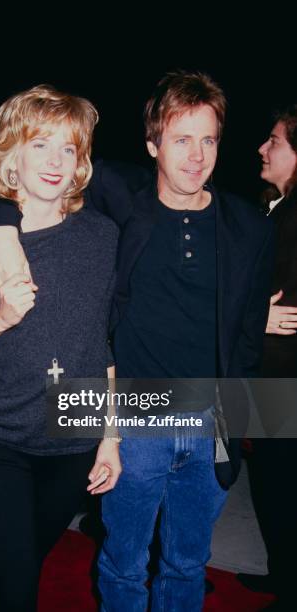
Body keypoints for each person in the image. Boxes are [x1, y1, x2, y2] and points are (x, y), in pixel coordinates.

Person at [0, 71, 275, 611]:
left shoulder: (249, 225)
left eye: (208, 139)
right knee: (124, 562)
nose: (197, 156)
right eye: (181, 139)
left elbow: (248, 339)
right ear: (153, 144)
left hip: (210, 423)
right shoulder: (120, 194)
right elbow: (15, 171)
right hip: (134, 412)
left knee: (187, 563)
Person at [0, 85, 121, 612]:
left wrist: (110, 438)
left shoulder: (103, 237)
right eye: (40, 145)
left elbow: (103, 342)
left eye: (69, 148)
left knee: (21, 562)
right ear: (11, 156)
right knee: (15, 589)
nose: (57, 161)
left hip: (74, 440)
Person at [237, 105, 297, 612]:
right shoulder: (274, 207)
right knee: (271, 484)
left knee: (283, 487)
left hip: (286, 379)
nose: (263, 147)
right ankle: (283, 574)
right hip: (269, 375)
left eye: (274, 141)